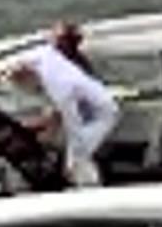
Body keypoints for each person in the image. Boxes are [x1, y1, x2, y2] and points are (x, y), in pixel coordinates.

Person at [24, 20, 122, 186]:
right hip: (85, 125)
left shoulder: (66, 74)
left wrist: (71, 158)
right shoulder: (69, 68)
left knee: (78, 168)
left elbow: (70, 116)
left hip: (86, 128)